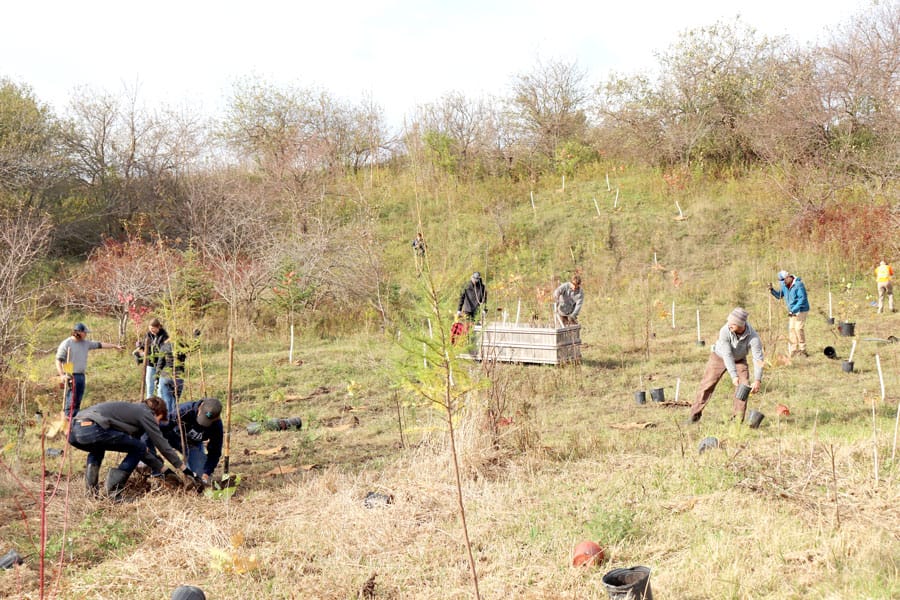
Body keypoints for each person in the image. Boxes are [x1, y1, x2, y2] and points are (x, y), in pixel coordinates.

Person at [66, 396, 198, 499]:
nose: (157, 424)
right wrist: (184, 469)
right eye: (159, 420)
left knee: (97, 449)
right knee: (137, 447)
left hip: (74, 431)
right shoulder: (145, 413)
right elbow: (161, 444)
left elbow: (141, 451)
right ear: (157, 413)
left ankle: (91, 493)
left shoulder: (129, 414)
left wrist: (164, 470)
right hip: (92, 428)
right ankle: (112, 494)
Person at [687, 307, 764, 424]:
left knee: (744, 387)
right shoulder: (725, 331)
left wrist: (758, 380)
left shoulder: (753, 337)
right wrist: (733, 375)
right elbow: (727, 355)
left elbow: (758, 359)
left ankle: (737, 421)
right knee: (707, 385)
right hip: (719, 357)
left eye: (732, 323)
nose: (729, 325)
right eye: (729, 322)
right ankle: (694, 416)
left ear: (741, 324)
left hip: (739, 360)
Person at [56, 323, 124, 418]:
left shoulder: (85, 343)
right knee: (71, 400)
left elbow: (99, 345)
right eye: (85, 333)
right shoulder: (67, 343)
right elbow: (58, 360)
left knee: (78, 399)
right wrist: (62, 375)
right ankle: (68, 419)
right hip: (70, 373)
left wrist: (114, 346)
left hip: (81, 375)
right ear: (78, 332)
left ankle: (74, 418)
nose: (86, 334)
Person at [157, 398, 223, 486]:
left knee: (200, 475)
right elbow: (161, 426)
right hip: (173, 437)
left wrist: (206, 473)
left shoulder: (217, 426)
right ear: (200, 407)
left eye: (208, 422)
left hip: (192, 445)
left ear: (216, 418)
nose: (202, 423)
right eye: (202, 418)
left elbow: (215, 451)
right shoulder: (184, 411)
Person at [156, 331, 200, 418]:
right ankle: (175, 419)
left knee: (167, 402)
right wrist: (196, 337)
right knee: (175, 401)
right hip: (178, 377)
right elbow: (194, 347)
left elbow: (160, 363)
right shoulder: (182, 346)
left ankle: (169, 420)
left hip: (165, 376)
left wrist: (156, 378)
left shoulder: (165, 346)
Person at [768, 270, 810, 357]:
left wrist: (793, 310)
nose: (782, 283)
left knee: (798, 328)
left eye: (783, 281)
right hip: (792, 311)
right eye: (781, 282)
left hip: (801, 309)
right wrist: (772, 290)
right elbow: (779, 296)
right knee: (791, 329)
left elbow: (802, 299)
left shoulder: (798, 285)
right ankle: (794, 349)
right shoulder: (785, 286)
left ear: (788, 277)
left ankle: (803, 350)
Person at [139, 318, 169, 398]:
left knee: (161, 387)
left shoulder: (164, 336)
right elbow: (142, 347)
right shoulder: (148, 335)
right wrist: (141, 352)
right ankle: (149, 402)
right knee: (149, 384)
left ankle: (161, 404)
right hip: (150, 363)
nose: (151, 331)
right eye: (150, 329)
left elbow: (165, 350)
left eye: (153, 329)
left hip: (163, 365)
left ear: (158, 327)